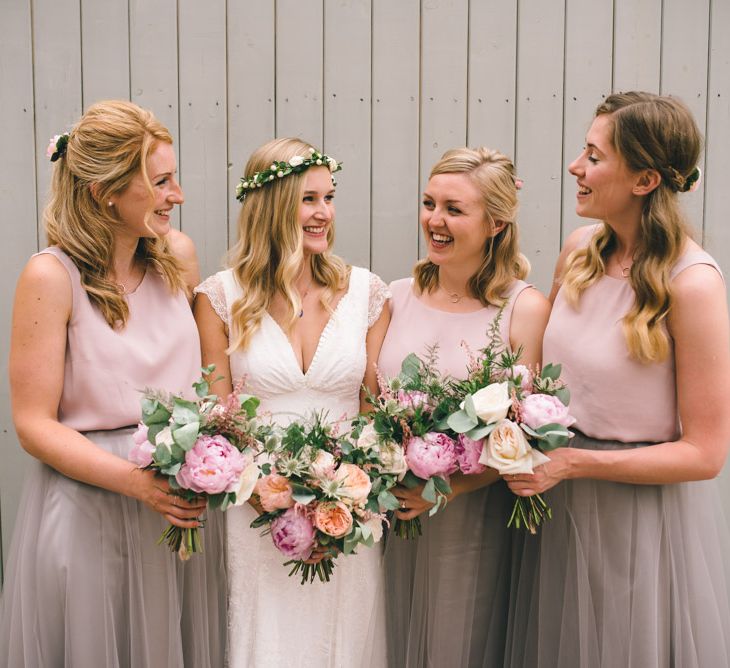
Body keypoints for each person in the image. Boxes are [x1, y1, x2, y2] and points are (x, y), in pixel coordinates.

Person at [506, 91, 730, 666]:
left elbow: (705, 454)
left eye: (594, 156)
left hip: (633, 522)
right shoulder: (579, 250)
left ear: (644, 179)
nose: (576, 167)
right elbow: (535, 375)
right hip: (555, 509)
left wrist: (578, 463)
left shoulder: (693, 284)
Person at [0, 100, 226, 667]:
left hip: (175, 505)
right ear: (107, 192)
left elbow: (209, 380)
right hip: (91, 508)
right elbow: (32, 424)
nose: (178, 194)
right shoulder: (51, 276)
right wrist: (136, 483)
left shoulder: (177, 256)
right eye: (161, 182)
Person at [194, 137, 391, 667]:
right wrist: (261, 490)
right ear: (273, 205)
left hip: (348, 507)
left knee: (344, 639)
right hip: (256, 509)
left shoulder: (366, 293)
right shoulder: (220, 297)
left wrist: (348, 495)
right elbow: (218, 417)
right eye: (308, 199)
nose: (323, 213)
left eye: (329, 198)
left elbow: (374, 409)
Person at [378, 147, 550, 667]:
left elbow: (529, 432)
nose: (434, 220)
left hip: (477, 517)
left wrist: (449, 489)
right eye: (429, 203)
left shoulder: (525, 308)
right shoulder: (393, 297)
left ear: (495, 222)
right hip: (393, 510)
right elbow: (368, 404)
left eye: (454, 209)